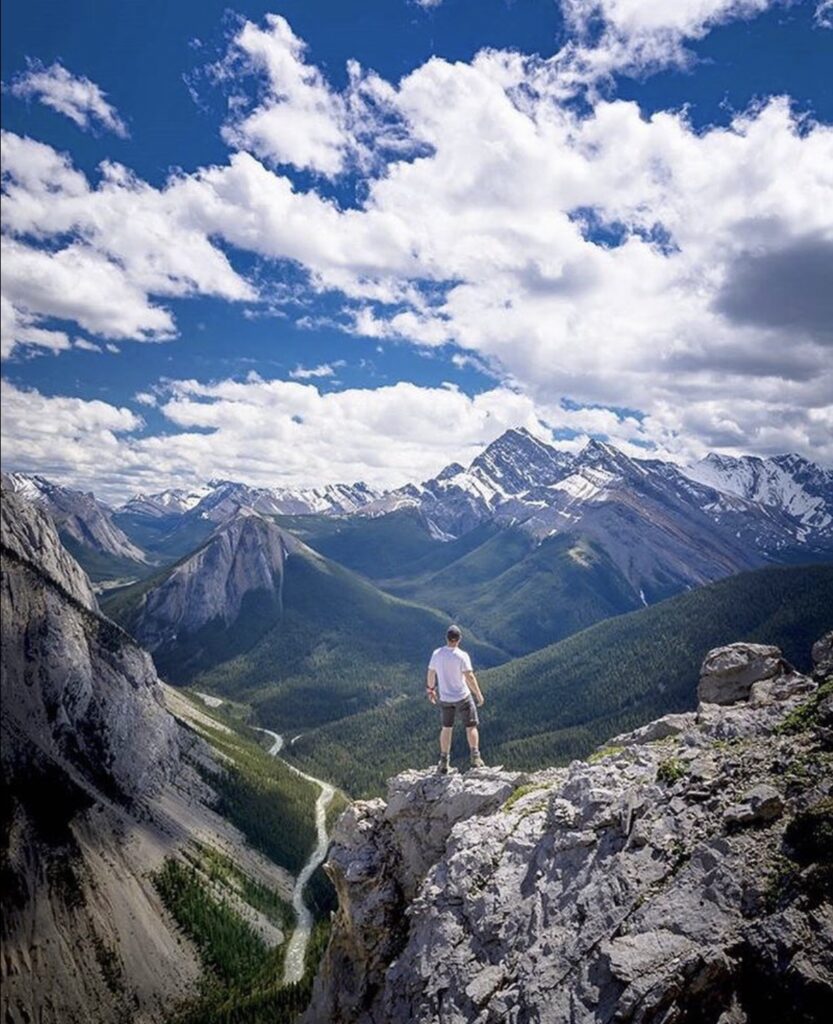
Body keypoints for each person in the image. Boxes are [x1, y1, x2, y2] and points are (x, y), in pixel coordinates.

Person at [426, 624, 485, 773]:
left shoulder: (437, 654)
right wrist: (478, 694)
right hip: (462, 697)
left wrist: (431, 689)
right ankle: (475, 758)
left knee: (447, 728)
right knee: (471, 726)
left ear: (446, 638)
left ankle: (444, 761)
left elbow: (431, 673)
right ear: (459, 639)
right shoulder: (462, 655)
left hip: (445, 697)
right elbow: (469, 677)